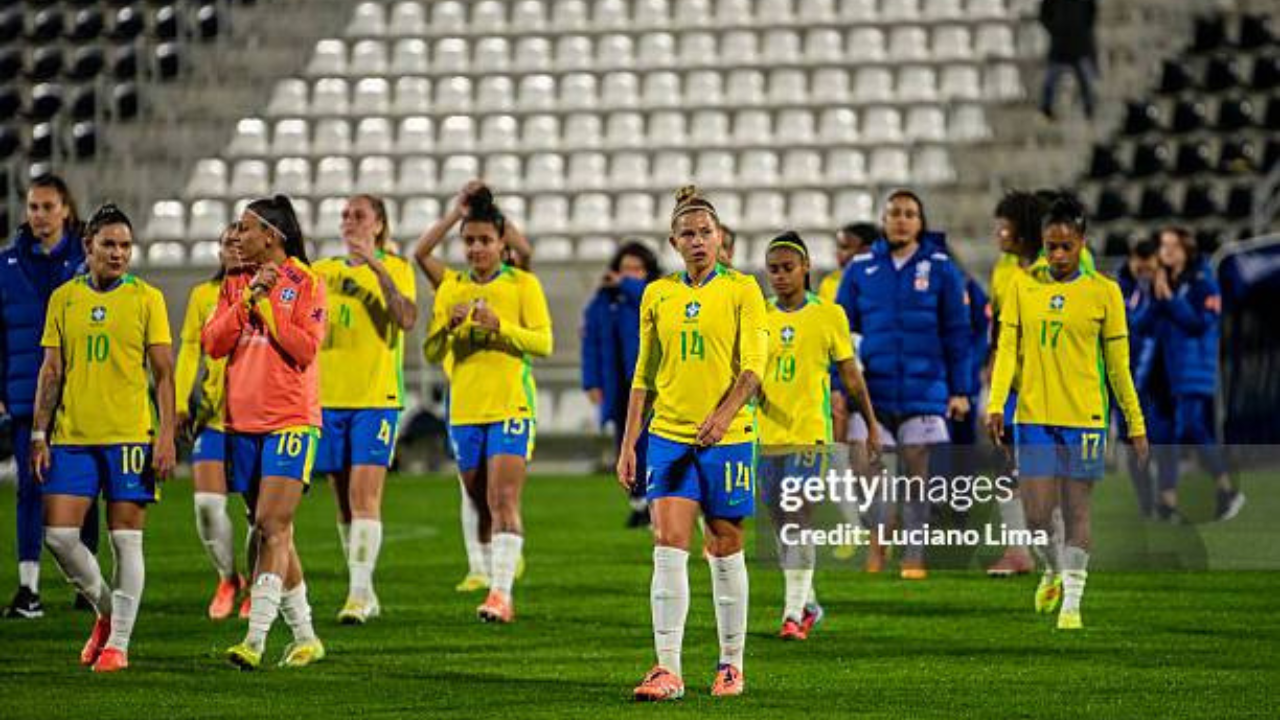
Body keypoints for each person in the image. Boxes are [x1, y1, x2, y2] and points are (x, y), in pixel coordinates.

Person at [619, 186, 767, 701]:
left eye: (706, 232)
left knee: (724, 544)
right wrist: (629, 441)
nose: (699, 240)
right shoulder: (657, 294)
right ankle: (668, 669)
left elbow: (753, 366)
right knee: (668, 546)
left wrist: (725, 415)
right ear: (673, 242)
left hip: (729, 439)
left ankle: (731, 664)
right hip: (668, 437)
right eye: (688, 233)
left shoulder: (744, 289)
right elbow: (644, 373)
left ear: (722, 238)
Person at [987, 193, 1149, 630]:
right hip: (1034, 415)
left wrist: (1135, 423)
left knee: (1077, 511)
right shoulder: (1023, 286)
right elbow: (1006, 351)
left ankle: (1072, 605)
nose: (1058, 254)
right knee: (1038, 515)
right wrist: (996, 402)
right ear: (1040, 243)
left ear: (1082, 242)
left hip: (1086, 419)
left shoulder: (1104, 294)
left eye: (1066, 246)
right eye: (1050, 246)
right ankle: (1053, 570)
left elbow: (1119, 368)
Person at [30, 203, 176, 671]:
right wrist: (39, 432)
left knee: (126, 542)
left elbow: (164, 373)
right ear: (88, 245)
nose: (118, 254)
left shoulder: (147, 298)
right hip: (73, 434)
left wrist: (166, 435)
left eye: (125, 246)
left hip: (130, 434)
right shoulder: (63, 299)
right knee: (58, 535)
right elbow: (51, 371)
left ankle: (120, 645)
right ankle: (108, 613)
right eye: (109, 244)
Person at [204, 196, 326, 670]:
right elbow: (213, 343)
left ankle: (254, 642)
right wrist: (249, 298)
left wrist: (271, 307)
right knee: (270, 528)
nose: (237, 235)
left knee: (272, 526)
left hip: (290, 419)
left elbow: (305, 348)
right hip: (242, 423)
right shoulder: (236, 283)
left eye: (245, 227)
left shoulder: (306, 282)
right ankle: (307, 636)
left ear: (270, 236)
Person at [422, 187, 552, 623]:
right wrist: (449, 328)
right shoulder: (451, 289)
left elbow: (544, 342)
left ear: (502, 243)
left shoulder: (523, 284)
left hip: (511, 405)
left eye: (485, 240)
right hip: (465, 409)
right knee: (480, 501)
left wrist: (503, 327)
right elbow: (429, 350)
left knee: (502, 497)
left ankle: (501, 594)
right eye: (470, 241)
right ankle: (497, 568)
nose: (477, 248)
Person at [834, 190, 973, 579]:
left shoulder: (942, 267)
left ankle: (914, 555)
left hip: (925, 391)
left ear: (920, 222)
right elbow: (839, 333)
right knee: (865, 473)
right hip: (871, 394)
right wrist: (838, 387)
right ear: (883, 219)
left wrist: (960, 389)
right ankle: (877, 545)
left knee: (918, 479)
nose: (901, 219)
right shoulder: (861, 268)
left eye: (910, 214)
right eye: (894, 212)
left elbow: (957, 332)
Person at [757, 231, 879, 641]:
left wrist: (872, 425)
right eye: (773, 269)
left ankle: (792, 614)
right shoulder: (759, 316)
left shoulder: (829, 315)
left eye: (787, 268)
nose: (780, 276)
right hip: (766, 434)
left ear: (806, 267)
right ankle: (807, 602)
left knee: (798, 520)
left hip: (810, 434)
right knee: (780, 525)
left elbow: (851, 377)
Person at [312, 194, 417, 624]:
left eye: (359, 216)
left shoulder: (397, 269)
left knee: (363, 495)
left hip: (376, 399)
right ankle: (364, 589)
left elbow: (405, 317)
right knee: (342, 500)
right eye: (345, 216)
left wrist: (375, 265)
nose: (349, 222)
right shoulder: (322, 271)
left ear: (378, 225)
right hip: (328, 397)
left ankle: (356, 594)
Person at [0, 174, 101, 618]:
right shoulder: (6, 266)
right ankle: (29, 589)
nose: (39, 215)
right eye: (33, 207)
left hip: (81, 392)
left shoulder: (88, 261)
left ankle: (87, 582)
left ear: (66, 209)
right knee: (30, 489)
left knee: (87, 488)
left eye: (47, 206)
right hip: (26, 393)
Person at [176, 225, 249, 619]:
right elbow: (190, 348)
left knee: (260, 512)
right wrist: (180, 403)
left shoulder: (266, 291)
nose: (234, 250)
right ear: (218, 251)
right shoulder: (203, 296)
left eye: (241, 242)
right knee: (206, 504)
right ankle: (228, 578)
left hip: (258, 417)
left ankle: (257, 583)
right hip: (215, 416)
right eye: (227, 243)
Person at [1149, 226, 1245, 522]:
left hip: (1196, 371)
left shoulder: (1204, 282)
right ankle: (1219, 492)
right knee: (1188, 431)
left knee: (1184, 430)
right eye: (1162, 247)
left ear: (1186, 250)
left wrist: (1168, 298)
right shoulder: (1169, 283)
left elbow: (1199, 324)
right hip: (1171, 372)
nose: (1165, 252)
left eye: (1171, 246)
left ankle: (1174, 500)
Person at [582, 240, 662, 528]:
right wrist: (591, 381)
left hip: (650, 383)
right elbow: (591, 342)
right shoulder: (604, 301)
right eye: (624, 269)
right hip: (616, 382)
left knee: (651, 444)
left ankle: (654, 503)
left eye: (636, 270)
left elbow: (647, 300)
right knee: (624, 444)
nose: (628, 275)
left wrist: (626, 285)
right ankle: (639, 502)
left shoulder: (656, 294)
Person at [1115, 238, 1167, 518]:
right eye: (1142, 268)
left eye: (1151, 268)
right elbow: (1131, 325)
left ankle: (1163, 497)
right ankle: (1146, 500)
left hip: (1157, 383)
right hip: (1126, 380)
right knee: (1133, 445)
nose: (1146, 273)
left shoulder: (1166, 287)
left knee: (1158, 440)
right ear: (1133, 261)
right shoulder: (1118, 290)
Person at [817, 222, 877, 453]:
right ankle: (836, 479)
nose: (838, 254)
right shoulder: (829, 283)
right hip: (840, 365)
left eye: (845, 247)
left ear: (865, 250)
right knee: (837, 414)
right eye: (838, 247)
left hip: (871, 369)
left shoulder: (878, 280)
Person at [1039, 0, 1099, 120]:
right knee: (1049, 81)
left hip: (1079, 44)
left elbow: (1092, 13)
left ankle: (1089, 109)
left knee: (1086, 81)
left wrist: (1083, 29)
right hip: (1060, 45)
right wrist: (1054, 29)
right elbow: (1044, 15)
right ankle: (1046, 108)